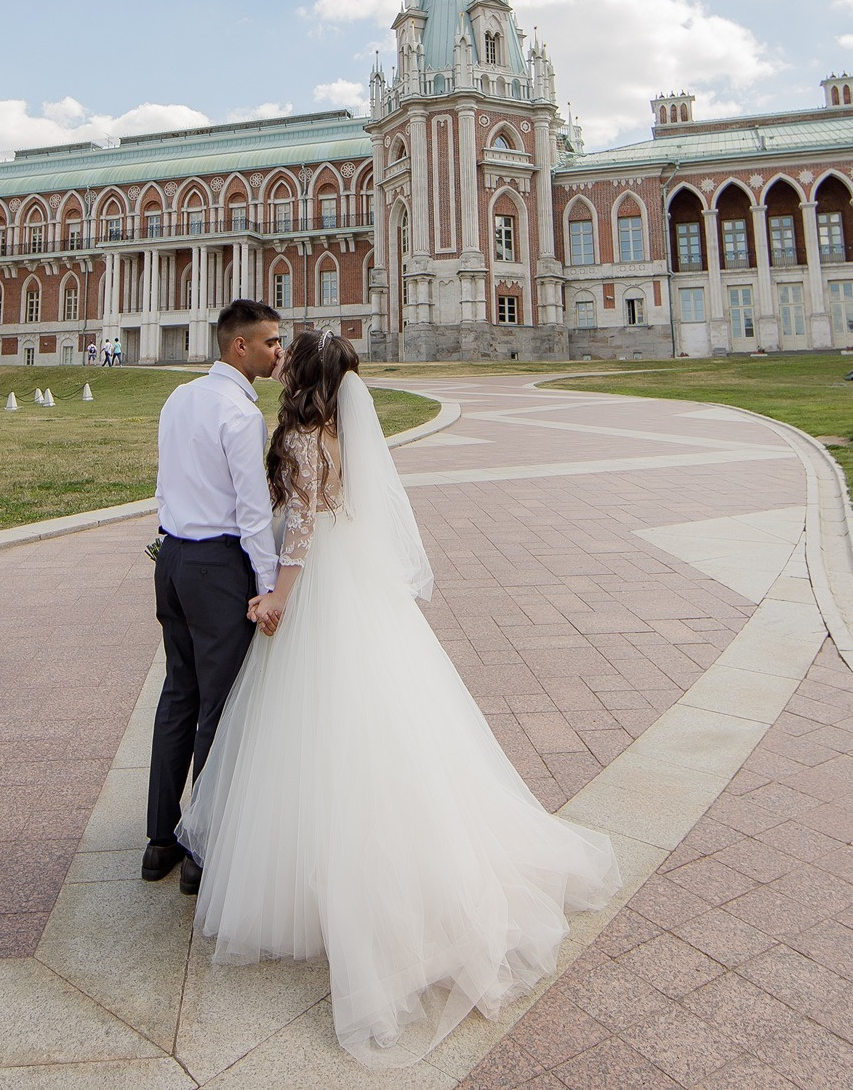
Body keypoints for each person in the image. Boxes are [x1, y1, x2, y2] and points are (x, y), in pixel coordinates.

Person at [178, 329, 619, 1068]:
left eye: (290, 357)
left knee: (314, 725)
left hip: (321, 584)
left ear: (304, 375)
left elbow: (301, 528)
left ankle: (332, 878)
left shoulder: (303, 438)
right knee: (381, 722)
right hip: (360, 581)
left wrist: (277, 596)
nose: (280, 363)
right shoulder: (338, 431)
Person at [145, 298, 285, 896]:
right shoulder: (240, 414)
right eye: (271, 342)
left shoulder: (180, 397)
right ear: (239, 347)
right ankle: (202, 848)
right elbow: (253, 513)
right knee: (219, 707)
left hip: (173, 558)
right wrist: (267, 586)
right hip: (216, 566)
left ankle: (160, 840)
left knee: (178, 694)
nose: (278, 352)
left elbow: (164, 482)